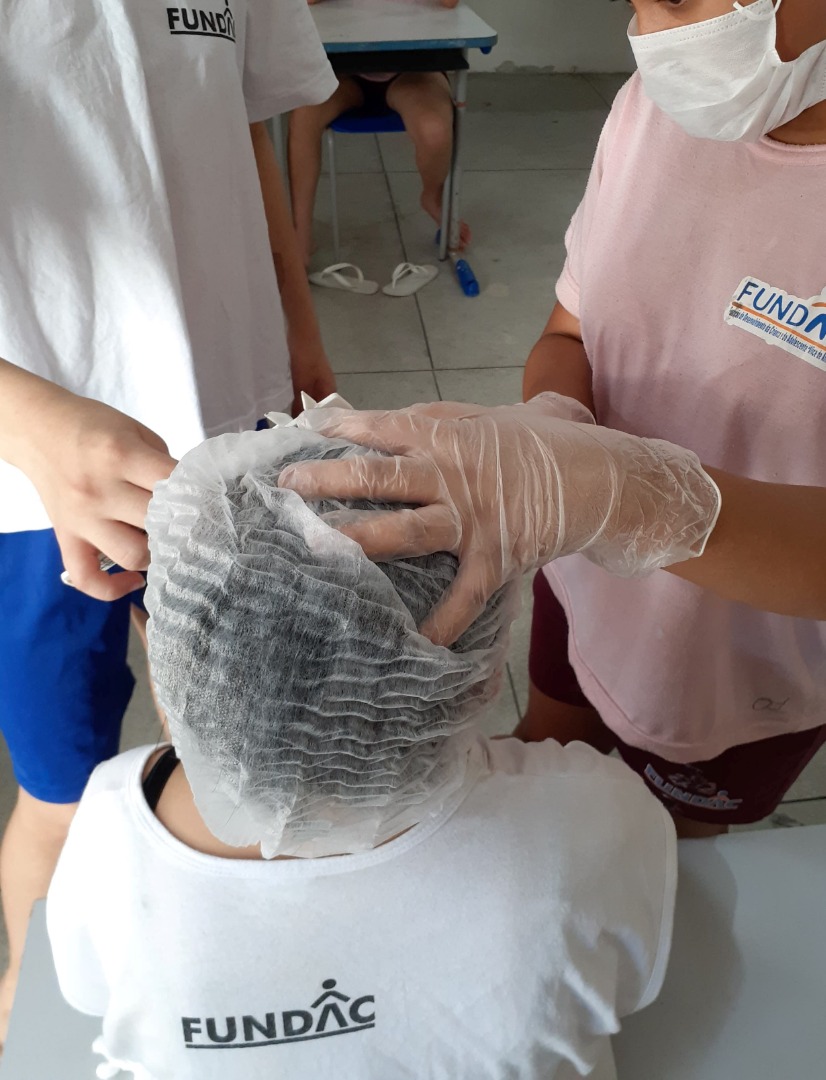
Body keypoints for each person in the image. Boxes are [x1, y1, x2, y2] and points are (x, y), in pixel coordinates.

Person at [276, 0, 826, 838]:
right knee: (547, 760)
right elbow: (570, 332)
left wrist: (627, 498)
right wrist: (549, 428)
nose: (649, 24)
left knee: (665, 848)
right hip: (586, 581)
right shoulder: (652, 112)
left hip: (742, 661)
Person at [47, 425, 676, 1080]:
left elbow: (86, 992)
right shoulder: (592, 818)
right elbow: (638, 984)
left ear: (176, 669)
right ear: (475, 676)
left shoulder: (113, 826)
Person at [0, 0, 339, 1039]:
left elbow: (245, 137)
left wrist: (298, 333)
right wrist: (26, 420)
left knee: (263, 753)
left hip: (228, 415)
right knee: (61, 790)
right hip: (29, 478)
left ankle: (264, 992)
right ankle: (30, 1022)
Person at [289, 0, 471, 269]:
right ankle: (300, 234)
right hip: (341, 69)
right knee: (304, 114)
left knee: (434, 131)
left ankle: (432, 196)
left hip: (414, 69)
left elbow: (449, 3)